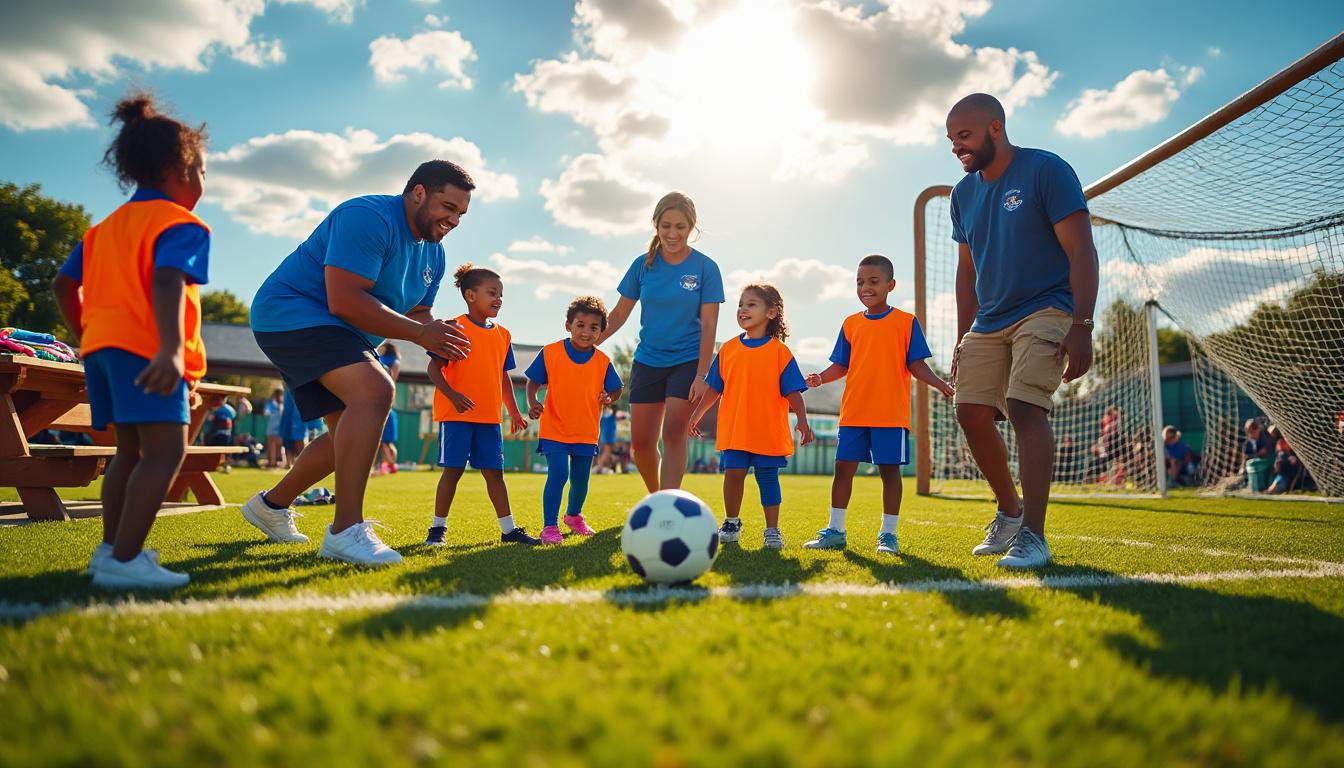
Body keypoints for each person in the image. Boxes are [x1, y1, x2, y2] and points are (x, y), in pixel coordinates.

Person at [239, 160, 473, 566]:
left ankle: (271, 506)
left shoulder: (435, 251)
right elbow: (343, 299)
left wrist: (440, 335)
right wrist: (420, 334)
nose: (453, 219)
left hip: (341, 332)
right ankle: (346, 530)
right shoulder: (367, 216)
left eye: (460, 214)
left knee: (346, 436)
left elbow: (417, 314)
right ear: (418, 192)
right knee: (376, 389)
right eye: (447, 207)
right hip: (292, 314)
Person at [49, 92, 210, 589]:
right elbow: (165, 280)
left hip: (103, 350)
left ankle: (110, 552)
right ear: (180, 168)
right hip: (147, 350)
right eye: (203, 171)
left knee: (129, 453)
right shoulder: (184, 224)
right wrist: (172, 350)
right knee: (164, 454)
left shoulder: (104, 227)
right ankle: (125, 560)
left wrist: (89, 337)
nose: (204, 183)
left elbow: (61, 283)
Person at [944, 93, 1099, 568]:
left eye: (964, 136)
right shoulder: (962, 194)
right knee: (969, 411)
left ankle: (1033, 534)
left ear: (995, 127)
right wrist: (962, 335)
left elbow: (1081, 250)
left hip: (1047, 307)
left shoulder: (1045, 170)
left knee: (1024, 407)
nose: (956, 147)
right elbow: (966, 271)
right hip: (990, 319)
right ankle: (1009, 512)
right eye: (951, 140)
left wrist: (1083, 325)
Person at [803, 255, 954, 554]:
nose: (865, 288)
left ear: (890, 285)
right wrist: (820, 378)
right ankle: (835, 530)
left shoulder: (906, 322)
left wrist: (940, 384)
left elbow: (917, 365)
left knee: (889, 473)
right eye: (860, 282)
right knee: (842, 469)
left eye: (873, 281)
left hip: (890, 414)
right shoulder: (850, 324)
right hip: (854, 413)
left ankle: (888, 535)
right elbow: (841, 365)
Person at [596, 192, 724, 492]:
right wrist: (587, 344)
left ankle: (668, 503)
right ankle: (656, 497)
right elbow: (617, 315)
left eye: (680, 226)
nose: (672, 233)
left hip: (688, 361)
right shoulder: (642, 265)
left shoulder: (706, 268)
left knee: (674, 434)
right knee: (640, 445)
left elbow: (709, 325)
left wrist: (702, 375)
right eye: (666, 225)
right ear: (656, 225)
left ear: (691, 227)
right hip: (648, 361)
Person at [688, 283, 814, 549]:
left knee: (767, 478)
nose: (743, 309)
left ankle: (772, 531)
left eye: (751, 304)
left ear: (771, 313)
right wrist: (697, 415)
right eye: (741, 305)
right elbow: (714, 390)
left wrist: (802, 421)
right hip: (736, 430)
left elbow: (794, 393)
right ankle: (732, 523)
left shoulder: (780, 352)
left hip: (767, 431)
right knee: (733, 475)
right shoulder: (728, 350)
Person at [425, 264, 538, 546]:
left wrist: (513, 411)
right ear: (470, 295)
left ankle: (509, 530)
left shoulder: (503, 335)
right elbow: (433, 368)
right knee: (453, 470)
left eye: (501, 294)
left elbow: (503, 378)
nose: (499, 299)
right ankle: (437, 529)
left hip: (489, 419)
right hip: (456, 415)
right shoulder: (453, 328)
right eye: (492, 293)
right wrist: (452, 395)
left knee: (495, 474)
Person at [524, 296, 624, 544]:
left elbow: (616, 389)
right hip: (554, 428)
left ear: (601, 331)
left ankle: (573, 516)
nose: (586, 332)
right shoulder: (550, 352)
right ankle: (549, 526)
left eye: (594, 328)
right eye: (581, 325)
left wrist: (608, 397)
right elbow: (533, 382)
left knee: (581, 480)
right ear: (568, 326)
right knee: (558, 475)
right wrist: (533, 401)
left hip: (586, 431)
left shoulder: (603, 362)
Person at [374, 341, 401, 474]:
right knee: (387, 442)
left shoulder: (381, 359)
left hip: (383, 406)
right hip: (389, 406)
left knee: (383, 442)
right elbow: (394, 377)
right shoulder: (395, 361)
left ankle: (388, 465)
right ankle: (390, 465)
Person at [263, 388, 284, 467]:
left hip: (276, 428)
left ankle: (273, 462)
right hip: (272, 428)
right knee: (272, 445)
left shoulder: (278, 405)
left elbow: (266, 414)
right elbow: (266, 413)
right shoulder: (272, 404)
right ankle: (272, 462)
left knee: (274, 445)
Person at [597, 404, 620, 473]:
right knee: (606, 454)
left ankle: (602, 467)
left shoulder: (606, 418)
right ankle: (600, 467)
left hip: (607, 439)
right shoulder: (606, 418)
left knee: (608, 454)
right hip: (607, 439)